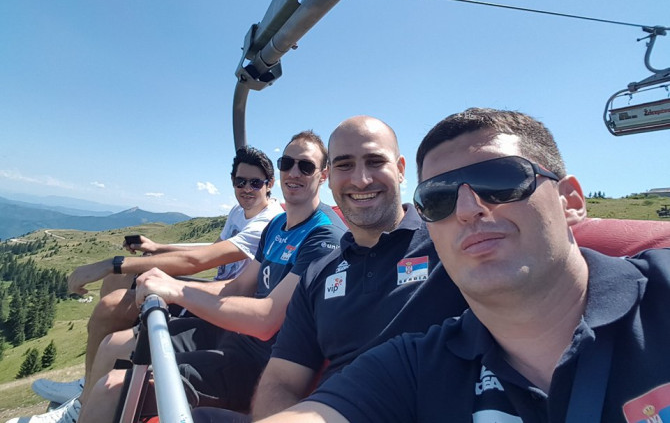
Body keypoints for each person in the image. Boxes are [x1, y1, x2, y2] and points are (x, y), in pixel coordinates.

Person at [256, 108, 670, 423]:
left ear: (570, 201)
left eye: (501, 180)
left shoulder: (660, 293)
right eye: (439, 198)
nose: (469, 209)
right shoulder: (415, 363)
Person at [191, 115, 468, 423]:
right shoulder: (318, 274)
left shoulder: (448, 246)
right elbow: (281, 379)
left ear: (401, 169)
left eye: (375, 161)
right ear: (331, 176)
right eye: (345, 165)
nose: (361, 179)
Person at [60, 130, 347, 423]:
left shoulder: (324, 236)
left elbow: (267, 320)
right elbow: (238, 286)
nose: (294, 172)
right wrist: (169, 283)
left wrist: (177, 291)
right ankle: (81, 409)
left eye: (306, 166)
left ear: (323, 175)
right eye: (287, 163)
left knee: (112, 389)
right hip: (232, 334)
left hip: (262, 361)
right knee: (113, 346)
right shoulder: (277, 226)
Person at [29, 146, 283, 410]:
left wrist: (113, 264)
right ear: (232, 181)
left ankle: (86, 400)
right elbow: (210, 250)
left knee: (112, 303)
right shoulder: (238, 212)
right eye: (241, 182)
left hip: (225, 300)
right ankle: (92, 379)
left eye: (256, 183)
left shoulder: (266, 223)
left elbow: (197, 262)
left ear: (269, 184)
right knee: (118, 282)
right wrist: (157, 247)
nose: (247, 189)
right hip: (217, 289)